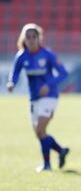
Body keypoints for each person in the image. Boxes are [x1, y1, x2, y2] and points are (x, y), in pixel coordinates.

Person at [7, 23, 70, 173]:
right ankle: (61, 150)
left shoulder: (47, 54)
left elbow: (63, 73)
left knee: (41, 129)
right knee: (39, 133)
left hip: (50, 96)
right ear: (24, 39)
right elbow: (14, 72)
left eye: (33, 37)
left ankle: (47, 165)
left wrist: (48, 84)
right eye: (27, 37)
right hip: (34, 98)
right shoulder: (22, 56)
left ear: (38, 38)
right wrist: (12, 83)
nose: (30, 40)